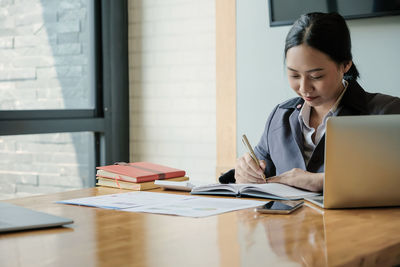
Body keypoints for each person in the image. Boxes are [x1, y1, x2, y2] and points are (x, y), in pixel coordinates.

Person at [234, 12, 400, 192]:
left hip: (355, 221)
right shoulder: (280, 116)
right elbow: (258, 172)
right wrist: (244, 173)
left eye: (316, 76)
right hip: (283, 221)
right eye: (294, 75)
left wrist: (323, 181)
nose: (304, 88)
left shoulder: (387, 113)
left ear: (345, 65)